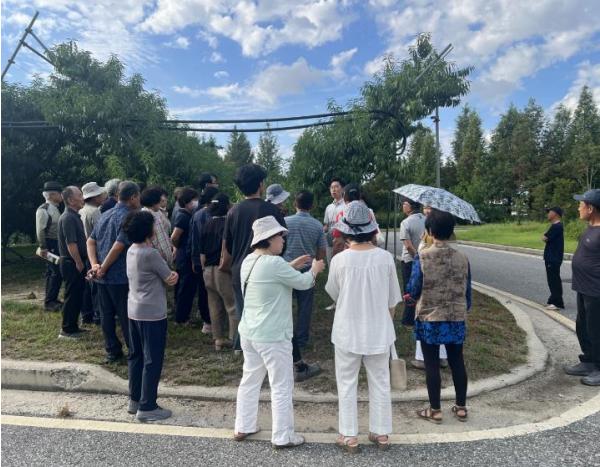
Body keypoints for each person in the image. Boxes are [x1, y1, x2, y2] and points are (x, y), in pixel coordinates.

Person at [234, 216, 325, 448]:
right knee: (282, 386)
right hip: (273, 336)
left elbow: (271, 275)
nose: (283, 240)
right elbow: (304, 283)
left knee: (250, 380)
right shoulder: (274, 264)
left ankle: (243, 425)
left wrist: (291, 265)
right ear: (268, 239)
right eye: (279, 236)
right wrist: (314, 270)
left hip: (250, 332)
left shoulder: (249, 260)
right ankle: (283, 436)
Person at [325, 201, 401, 452]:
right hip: (379, 330)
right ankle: (381, 432)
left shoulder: (339, 260)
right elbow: (393, 300)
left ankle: (349, 435)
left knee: (347, 382)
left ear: (346, 231)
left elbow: (334, 293)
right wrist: (386, 322)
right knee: (380, 381)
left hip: (347, 329)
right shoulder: (386, 258)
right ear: (371, 229)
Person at [405, 210, 472, 424]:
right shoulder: (462, 258)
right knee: (457, 361)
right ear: (451, 231)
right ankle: (461, 407)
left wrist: (410, 298)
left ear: (430, 231)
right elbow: (467, 290)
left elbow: (413, 288)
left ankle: (435, 410)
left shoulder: (423, 256)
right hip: (456, 315)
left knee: (432, 363)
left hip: (430, 317)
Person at [123, 210, 179, 422]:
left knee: (136, 356)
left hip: (134, 309)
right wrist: (174, 274)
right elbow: (169, 277)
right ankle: (148, 406)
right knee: (152, 359)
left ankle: (135, 399)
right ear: (149, 231)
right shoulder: (150, 254)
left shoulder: (131, 250)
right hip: (152, 313)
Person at [222, 164, 285, 342]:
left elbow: (228, 246)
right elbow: (282, 243)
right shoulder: (272, 210)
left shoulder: (233, 211)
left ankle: (244, 347)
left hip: (240, 270)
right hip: (266, 271)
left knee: (244, 313)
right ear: (260, 184)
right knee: (268, 314)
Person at [88, 181, 141, 363]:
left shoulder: (105, 214)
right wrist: (103, 267)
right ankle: (134, 351)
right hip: (120, 276)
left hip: (101, 277)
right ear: (133, 197)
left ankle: (112, 351)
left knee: (107, 316)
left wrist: (95, 265)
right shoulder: (129, 217)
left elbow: (90, 241)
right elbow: (119, 245)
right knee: (126, 316)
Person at [564, 189, 600, 386]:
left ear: (591, 208)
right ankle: (588, 361)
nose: (579, 208)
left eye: (581, 204)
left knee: (596, 330)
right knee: (583, 327)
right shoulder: (590, 228)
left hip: (596, 290)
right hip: (583, 288)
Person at [283, 190, 326, 350]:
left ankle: (285, 336)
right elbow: (321, 251)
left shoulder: (285, 222)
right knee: (305, 306)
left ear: (295, 203)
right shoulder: (317, 225)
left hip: (287, 268)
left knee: (284, 304)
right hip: (308, 269)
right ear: (312, 205)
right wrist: (316, 267)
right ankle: (301, 339)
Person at [200, 193, 237, 350]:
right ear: (227, 206)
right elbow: (229, 249)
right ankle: (234, 339)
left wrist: (204, 268)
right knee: (232, 306)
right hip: (223, 269)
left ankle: (218, 340)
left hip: (208, 270)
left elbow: (201, 252)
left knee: (214, 305)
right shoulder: (228, 224)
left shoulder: (206, 224)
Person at [57, 186, 88, 339]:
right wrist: (78, 262)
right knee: (72, 296)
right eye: (80, 195)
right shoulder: (68, 218)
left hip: (74, 262)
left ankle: (73, 326)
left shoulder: (74, 216)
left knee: (77, 295)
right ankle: (67, 329)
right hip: (71, 263)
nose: (83, 198)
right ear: (70, 200)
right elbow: (71, 243)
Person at [171, 187, 204, 325]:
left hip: (184, 254)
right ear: (187, 202)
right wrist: (179, 247)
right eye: (194, 199)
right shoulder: (183, 216)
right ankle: (181, 318)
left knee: (185, 286)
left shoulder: (187, 214)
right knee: (186, 287)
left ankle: (182, 315)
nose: (196, 202)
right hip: (184, 256)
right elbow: (174, 237)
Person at [190, 186, 220, 332]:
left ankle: (207, 322)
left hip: (200, 258)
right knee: (216, 291)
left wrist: (194, 259)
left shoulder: (197, 215)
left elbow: (193, 239)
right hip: (215, 258)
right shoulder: (217, 215)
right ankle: (214, 321)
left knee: (204, 290)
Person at [80, 182, 107, 324]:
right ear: (95, 197)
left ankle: (87, 314)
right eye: (101, 194)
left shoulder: (81, 211)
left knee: (87, 285)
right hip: (95, 251)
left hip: (85, 251)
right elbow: (100, 233)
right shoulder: (95, 212)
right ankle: (98, 314)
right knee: (96, 285)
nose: (103, 196)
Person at [36, 181, 64, 312]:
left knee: (52, 272)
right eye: (59, 193)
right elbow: (40, 230)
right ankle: (50, 302)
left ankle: (51, 299)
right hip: (50, 244)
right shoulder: (44, 209)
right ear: (52, 195)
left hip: (55, 243)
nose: (62, 195)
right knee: (55, 272)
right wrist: (43, 247)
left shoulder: (54, 208)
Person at [141, 186, 173, 265]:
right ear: (153, 202)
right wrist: (158, 255)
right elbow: (148, 240)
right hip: (158, 260)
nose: (161, 203)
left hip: (165, 260)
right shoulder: (145, 216)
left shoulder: (157, 212)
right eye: (159, 201)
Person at [542, 206, 565, 310]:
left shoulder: (557, 226)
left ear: (555, 214)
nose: (548, 214)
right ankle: (553, 300)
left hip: (553, 257)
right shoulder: (556, 226)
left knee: (553, 280)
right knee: (552, 279)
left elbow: (545, 238)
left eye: (549, 212)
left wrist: (545, 236)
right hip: (552, 257)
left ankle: (557, 303)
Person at [323, 178, 346, 265]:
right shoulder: (329, 207)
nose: (333, 189)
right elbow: (326, 225)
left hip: (342, 241)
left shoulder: (347, 205)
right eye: (331, 187)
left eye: (336, 187)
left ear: (342, 189)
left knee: (342, 264)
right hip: (330, 242)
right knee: (331, 264)